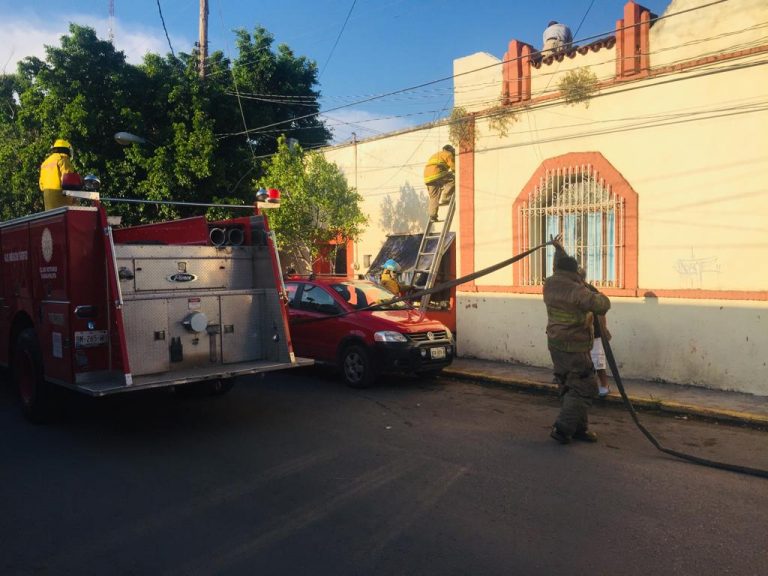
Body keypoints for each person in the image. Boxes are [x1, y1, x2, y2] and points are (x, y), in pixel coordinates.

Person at [544, 236, 610, 444]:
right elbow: (602, 304)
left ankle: (579, 429)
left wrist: (558, 248)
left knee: (568, 383)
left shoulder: (551, 282)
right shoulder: (576, 290)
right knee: (584, 386)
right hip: (575, 347)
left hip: (556, 344)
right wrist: (592, 290)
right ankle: (563, 428)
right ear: (574, 273)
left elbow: (560, 264)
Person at [39, 138, 76, 210]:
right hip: (63, 204)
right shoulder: (63, 159)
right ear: (67, 150)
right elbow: (69, 180)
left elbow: (41, 186)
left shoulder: (44, 163)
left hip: (49, 207)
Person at [423, 144, 455, 222]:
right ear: (450, 150)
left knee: (434, 197)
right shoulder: (448, 154)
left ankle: (432, 216)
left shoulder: (436, 154)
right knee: (453, 179)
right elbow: (454, 167)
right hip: (437, 174)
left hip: (427, 177)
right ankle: (446, 197)